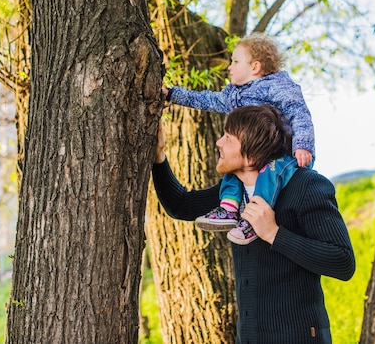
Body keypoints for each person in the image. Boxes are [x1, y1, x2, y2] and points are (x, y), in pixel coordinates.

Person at [152, 105, 355, 343]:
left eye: (228, 138)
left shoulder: (307, 185)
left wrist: (274, 233)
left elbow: (342, 262)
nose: (218, 143)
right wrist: (159, 157)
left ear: (250, 157)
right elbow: (180, 205)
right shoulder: (232, 194)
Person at [163, 33, 315, 244]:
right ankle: (229, 208)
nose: (229, 67)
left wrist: (303, 146)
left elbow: (299, 113)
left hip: (283, 154)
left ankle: (254, 217)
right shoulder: (234, 95)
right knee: (233, 170)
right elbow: (206, 99)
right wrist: (172, 94)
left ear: (254, 67)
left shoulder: (277, 87)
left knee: (270, 174)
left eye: (235, 61)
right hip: (253, 155)